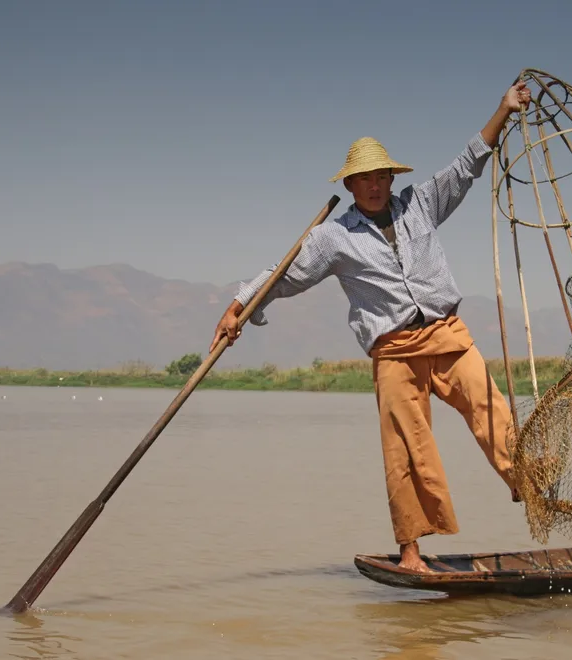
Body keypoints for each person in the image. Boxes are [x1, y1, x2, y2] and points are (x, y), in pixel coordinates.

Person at [210, 81, 533, 572]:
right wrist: (238, 305)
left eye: (381, 176)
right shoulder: (333, 238)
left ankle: (529, 486)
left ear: (390, 177)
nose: (375, 185)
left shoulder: (420, 204)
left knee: (492, 409)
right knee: (406, 448)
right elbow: (285, 273)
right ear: (350, 187)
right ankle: (411, 553)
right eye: (364, 180)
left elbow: (467, 164)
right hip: (394, 349)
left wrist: (503, 110)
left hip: (447, 334)